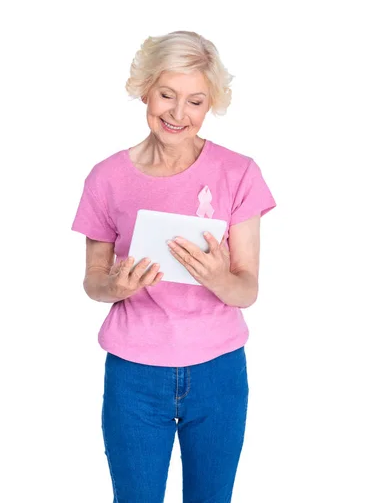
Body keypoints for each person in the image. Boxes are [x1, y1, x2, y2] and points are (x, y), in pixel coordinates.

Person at [71, 30, 277, 503]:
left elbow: (247, 290)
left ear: (211, 105)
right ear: (145, 89)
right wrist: (115, 286)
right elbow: (92, 281)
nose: (178, 114)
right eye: (167, 95)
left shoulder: (238, 173)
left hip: (218, 371)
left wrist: (217, 277)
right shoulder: (107, 178)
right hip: (134, 375)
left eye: (196, 101)